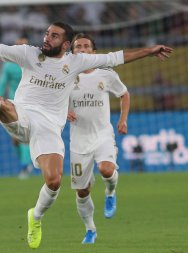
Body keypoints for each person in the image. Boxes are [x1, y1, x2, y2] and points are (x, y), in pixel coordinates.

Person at [0, 21, 172, 249]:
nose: (46, 38)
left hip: (49, 128)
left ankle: (36, 216)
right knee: (3, 105)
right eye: (47, 34)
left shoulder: (76, 61)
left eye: (54, 36)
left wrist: (149, 51)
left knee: (54, 181)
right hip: (23, 115)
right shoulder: (28, 54)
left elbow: (114, 57)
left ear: (66, 44)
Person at [67, 33, 130, 244]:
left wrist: (123, 120)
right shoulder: (64, 75)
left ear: (94, 52)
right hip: (78, 140)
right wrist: (63, 112)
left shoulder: (106, 74)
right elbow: (52, 101)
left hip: (102, 134)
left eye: (86, 46)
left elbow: (124, 94)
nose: (82, 49)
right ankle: (90, 229)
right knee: (82, 191)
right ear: (72, 52)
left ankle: (110, 192)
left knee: (106, 169)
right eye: (78, 47)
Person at [0, 37, 34, 179]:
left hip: (30, 103)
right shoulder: (9, 65)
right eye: (17, 45)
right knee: (15, 139)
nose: (20, 48)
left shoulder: (33, 64)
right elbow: (2, 83)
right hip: (13, 103)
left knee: (23, 135)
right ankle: (27, 164)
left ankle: (25, 166)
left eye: (23, 45)